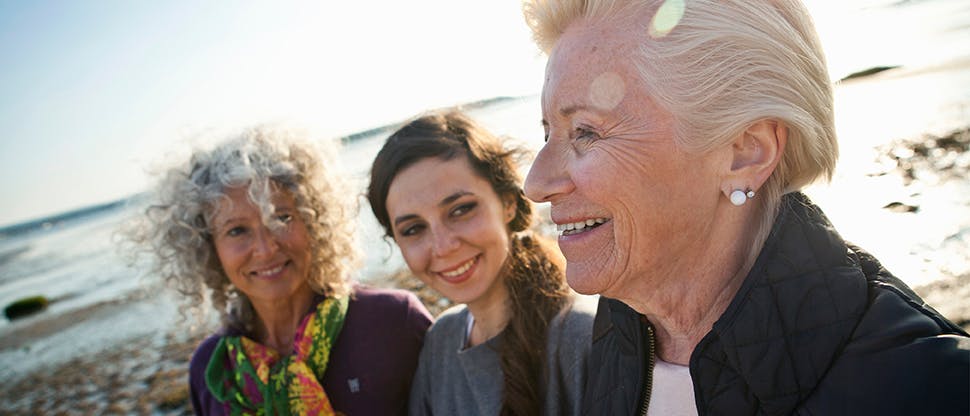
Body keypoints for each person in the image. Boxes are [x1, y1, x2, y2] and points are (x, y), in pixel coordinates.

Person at [520, 0, 970, 415]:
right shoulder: (617, 338)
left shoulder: (932, 389)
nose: (536, 184)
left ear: (745, 153)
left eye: (585, 132)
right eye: (547, 135)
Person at [126, 126, 432, 415]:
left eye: (282, 217)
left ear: (314, 219)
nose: (265, 248)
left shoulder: (394, 321)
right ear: (208, 248)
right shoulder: (213, 369)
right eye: (237, 231)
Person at [367, 110, 596, 416]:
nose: (443, 246)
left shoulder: (582, 334)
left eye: (460, 210)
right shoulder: (441, 341)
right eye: (413, 229)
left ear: (508, 203)